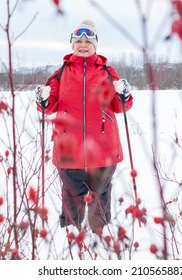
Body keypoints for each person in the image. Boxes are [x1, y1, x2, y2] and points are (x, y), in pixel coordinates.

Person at [35, 20, 133, 233]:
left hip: (103, 146)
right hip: (69, 147)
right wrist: (42, 100)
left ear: (95, 46)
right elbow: (48, 107)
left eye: (88, 41)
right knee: (72, 194)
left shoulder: (107, 71)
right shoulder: (60, 73)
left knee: (100, 193)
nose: (83, 44)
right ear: (72, 45)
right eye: (78, 41)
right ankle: (70, 233)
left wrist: (124, 94)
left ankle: (101, 235)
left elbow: (120, 106)